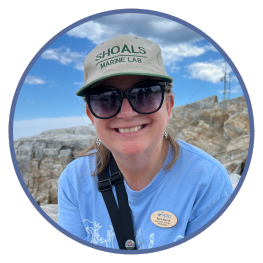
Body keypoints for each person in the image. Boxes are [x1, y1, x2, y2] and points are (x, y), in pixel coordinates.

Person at [58, 35, 233, 250]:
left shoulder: (207, 181)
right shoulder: (74, 181)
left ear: (168, 106)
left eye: (144, 94)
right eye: (106, 99)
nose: (127, 113)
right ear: (90, 114)